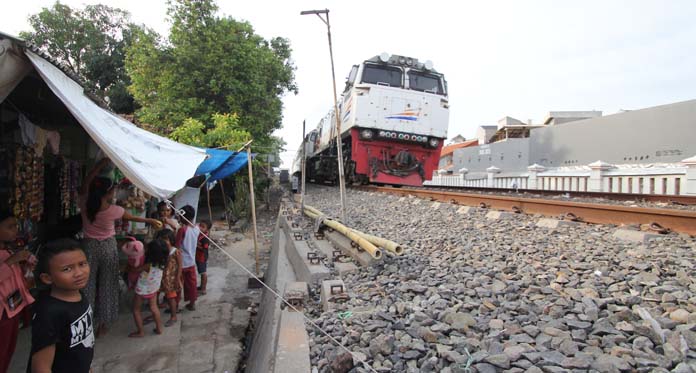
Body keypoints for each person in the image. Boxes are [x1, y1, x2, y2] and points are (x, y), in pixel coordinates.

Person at [80, 158, 162, 337]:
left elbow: (86, 182)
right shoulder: (113, 210)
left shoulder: (85, 201)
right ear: (108, 193)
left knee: (87, 285)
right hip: (108, 248)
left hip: (88, 248)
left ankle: (84, 325)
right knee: (108, 285)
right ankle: (103, 325)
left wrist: (99, 166)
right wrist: (150, 220)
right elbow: (134, 219)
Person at [28, 238, 93, 373]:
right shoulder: (48, 314)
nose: (79, 273)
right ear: (47, 278)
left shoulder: (79, 294)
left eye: (82, 264)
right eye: (67, 269)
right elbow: (41, 368)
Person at [0, 210, 35, 373]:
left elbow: (18, 279)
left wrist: (26, 267)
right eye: (10, 226)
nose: (15, 229)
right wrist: (13, 260)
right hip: (3, 314)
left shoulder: (7, 250)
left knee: (8, 350)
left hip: (13, 308)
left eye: (16, 225)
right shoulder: (9, 254)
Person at [129, 239, 168, 338]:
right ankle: (159, 328)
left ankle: (141, 332)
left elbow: (136, 270)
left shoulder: (148, 265)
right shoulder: (162, 263)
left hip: (142, 289)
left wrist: (130, 267)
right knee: (154, 308)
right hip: (153, 288)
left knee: (136, 310)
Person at [155, 229, 182, 327]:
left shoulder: (176, 251)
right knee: (156, 295)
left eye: (165, 239)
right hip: (159, 278)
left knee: (171, 298)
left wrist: (177, 279)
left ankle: (173, 316)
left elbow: (179, 266)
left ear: (171, 240)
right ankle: (155, 312)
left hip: (170, 280)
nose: (163, 242)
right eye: (161, 240)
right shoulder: (161, 251)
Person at [175, 205, 199, 311]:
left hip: (181, 262)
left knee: (178, 283)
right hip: (191, 261)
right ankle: (192, 303)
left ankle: (175, 305)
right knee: (192, 283)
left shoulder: (182, 230)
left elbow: (177, 246)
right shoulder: (197, 228)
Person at [195, 220, 211, 296]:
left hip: (201, 257)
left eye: (203, 227)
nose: (200, 228)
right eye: (200, 225)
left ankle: (203, 289)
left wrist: (196, 245)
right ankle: (201, 286)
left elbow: (204, 248)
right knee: (201, 272)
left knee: (203, 272)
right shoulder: (200, 234)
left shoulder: (205, 238)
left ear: (207, 230)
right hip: (198, 256)